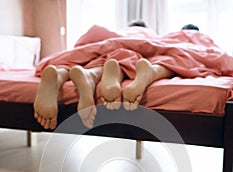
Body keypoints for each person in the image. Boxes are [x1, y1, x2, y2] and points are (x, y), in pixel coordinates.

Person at [33, 23, 233, 129]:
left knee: (117, 55)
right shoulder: (192, 37)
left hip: (112, 47)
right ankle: (153, 72)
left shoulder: (127, 33)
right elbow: (218, 59)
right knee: (178, 60)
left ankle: (73, 74)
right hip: (173, 50)